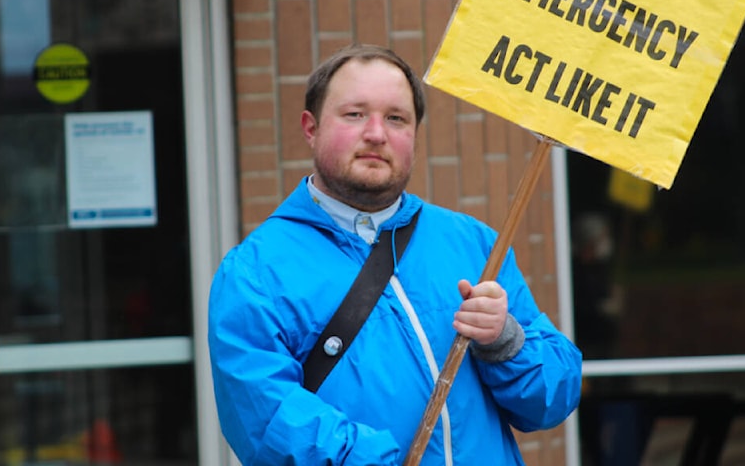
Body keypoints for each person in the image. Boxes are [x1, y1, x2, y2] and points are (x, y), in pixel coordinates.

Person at [208, 44, 582, 465]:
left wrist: (504, 341)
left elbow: (553, 399)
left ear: (415, 134)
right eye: (354, 115)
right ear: (310, 127)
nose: (376, 133)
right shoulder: (255, 273)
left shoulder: (474, 243)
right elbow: (266, 421)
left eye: (396, 118)